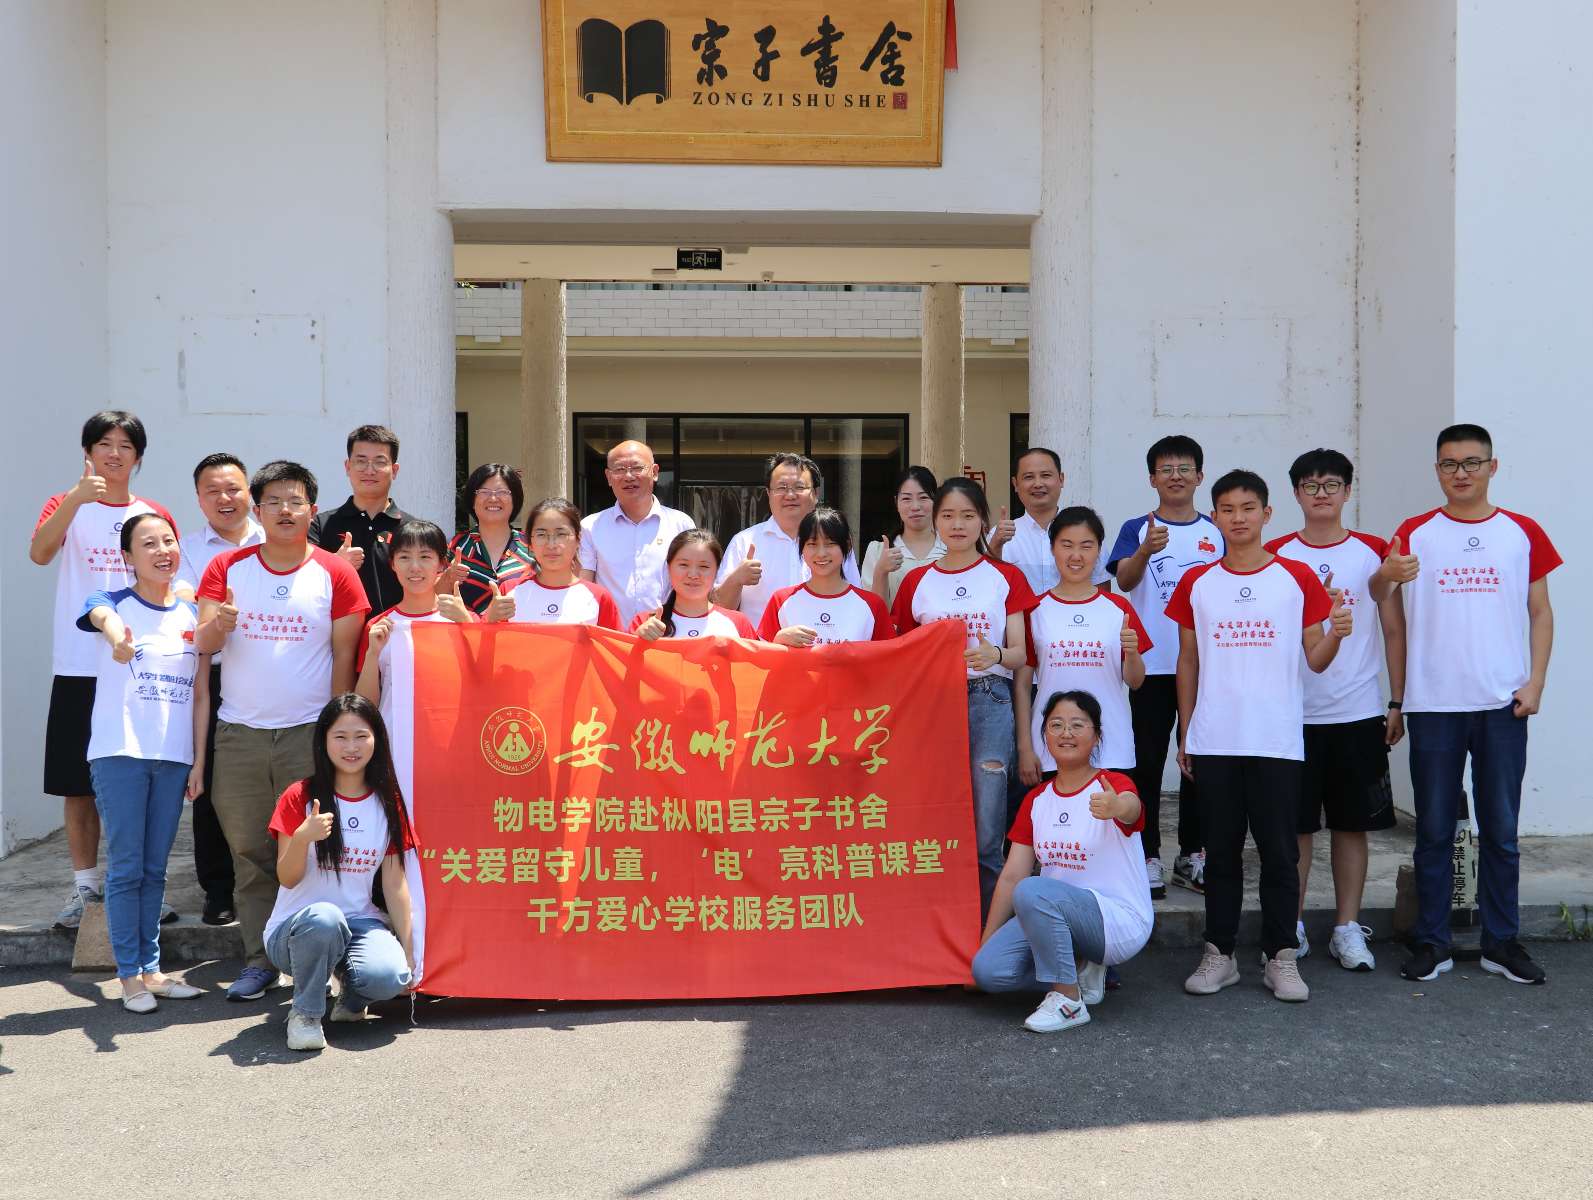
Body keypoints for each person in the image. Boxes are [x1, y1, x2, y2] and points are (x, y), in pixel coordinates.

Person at [1376, 424, 1559, 986]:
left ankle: (1501, 942)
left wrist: (1535, 683)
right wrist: (1386, 575)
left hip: (1503, 704)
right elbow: (1385, 606)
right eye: (1450, 464)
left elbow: (1540, 612)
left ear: (1492, 467)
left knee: (1501, 830)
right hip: (1434, 704)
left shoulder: (1522, 532)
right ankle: (1433, 943)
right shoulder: (1415, 532)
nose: (1461, 473)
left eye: (1471, 462)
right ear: (1437, 470)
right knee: (1433, 830)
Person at [1168, 469, 1348, 1004]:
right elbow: (1188, 659)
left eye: (1248, 508)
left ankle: (1280, 956)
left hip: (1276, 740)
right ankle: (1219, 954)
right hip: (1216, 739)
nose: (1238, 518)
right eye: (1227, 509)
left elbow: (1315, 658)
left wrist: (1337, 634)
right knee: (1220, 854)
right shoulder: (1198, 582)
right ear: (1215, 517)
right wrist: (1186, 731)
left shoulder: (1296, 577)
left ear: (1267, 514)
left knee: (1279, 853)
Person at [196, 461, 370, 1002]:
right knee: (249, 852)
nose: (285, 510)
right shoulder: (227, 566)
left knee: (315, 851)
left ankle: (321, 961)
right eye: (273, 501)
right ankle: (259, 960)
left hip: (307, 734)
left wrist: (334, 735)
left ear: (312, 510)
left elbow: (344, 656)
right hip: (240, 734)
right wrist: (219, 625)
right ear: (258, 509)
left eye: (295, 501)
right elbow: (203, 642)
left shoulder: (335, 573)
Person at [30, 410, 179, 931]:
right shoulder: (65, 504)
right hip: (79, 664)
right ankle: (84, 888)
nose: (114, 454)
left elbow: (171, 575)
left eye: (125, 446)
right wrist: (76, 499)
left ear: (139, 456)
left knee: (141, 777)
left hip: (142, 665)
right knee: (79, 784)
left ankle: (138, 884)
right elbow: (39, 553)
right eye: (104, 444)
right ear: (88, 451)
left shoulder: (153, 513)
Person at [1265, 449, 1407, 970]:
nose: (1320, 493)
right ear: (1295, 494)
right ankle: (1293, 924)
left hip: (1357, 711)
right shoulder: (1276, 555)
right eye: (1310, 485)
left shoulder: (1374, 552)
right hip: (1292, 715)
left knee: (1352, 825)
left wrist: (1397, 700)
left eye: (1330, 484)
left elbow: (1393, 630)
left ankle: (1347, 928)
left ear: (1348, 491)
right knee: (1295, 828)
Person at [78, 513, 206, 1012]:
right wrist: (119, 641)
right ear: (128, 556)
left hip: (172, 757)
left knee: (155, 869)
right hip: (121, 753)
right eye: (148, 543)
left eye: (168, 540)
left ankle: (152, 970)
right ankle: (129, 975)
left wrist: (197, 761)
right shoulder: (111, 601)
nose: (162, 550)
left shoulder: (191, 614)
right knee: (127, 867)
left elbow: (200, 693)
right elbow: (102, 619)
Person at [892, 478, 1036, 916]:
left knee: (987, 826)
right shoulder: (917, 580)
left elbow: (1021, 654)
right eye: (949, 516)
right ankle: (938, 924)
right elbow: (899, 652)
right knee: (934, 819)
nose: (958, 525)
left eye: (968, 516)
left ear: (982, 521)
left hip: (990, 700)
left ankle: (988, 928)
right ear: (936, 521)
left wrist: (995, 654)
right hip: (933, 708)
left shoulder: (1005, 576)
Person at [971, 691, 1151, 1033]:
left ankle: (1068, 1001)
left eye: (1077, 725)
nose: (1066, 733)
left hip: (1115, 919)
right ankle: (1081, 970)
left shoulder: (1111, 785)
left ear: (1096, 736)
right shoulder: (1037, 799)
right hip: (1053, 913)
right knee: (988, 971)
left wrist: (1118, 807)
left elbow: (1132, 808)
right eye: (1056, 725)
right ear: (1045, 735)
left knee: (1032, 890)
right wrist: (986, 943)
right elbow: (1011, 877)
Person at [264, 694, 417, 1052]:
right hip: (296, 931)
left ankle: (351, 998)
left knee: (389, 976)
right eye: (341, 737)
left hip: (360, 923)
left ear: (377, 740)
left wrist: (410, 953)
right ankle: (305, 1016)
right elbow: (287, 878)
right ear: (324, 741)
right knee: (325, 918)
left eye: (361, 736)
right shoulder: (299, 796)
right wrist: (302, 838)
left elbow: (395, 884)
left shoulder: (388, 801)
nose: (351, 747)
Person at [1107, 434, 1224, 897]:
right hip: (1151, 666)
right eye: (1166, 469)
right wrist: (1145, 551)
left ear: (1200, 476)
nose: (1176, 476)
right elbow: (1123, 581)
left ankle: (1193, 854)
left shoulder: (1217, 530)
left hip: (1206, 667)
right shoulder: (1137, 528)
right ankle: (1148, 854)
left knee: (1200, 761)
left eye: (1184, 468)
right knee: (1148, 763)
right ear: (1152, 478)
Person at [175, 452, 264, 926]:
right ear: (198, 499)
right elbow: (186, 607)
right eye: (213, 491)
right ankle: (217, 887)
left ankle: (276, 882)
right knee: (210, 780)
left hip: (270, 671)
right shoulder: (186, 550)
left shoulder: (276, 539)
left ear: (250, 493)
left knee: (270, 780)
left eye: (233, 488)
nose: (225, 498)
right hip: (211, 674)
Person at [1015, 506, 1150, 791]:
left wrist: (1132, 653)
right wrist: (1026, 747)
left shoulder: (1119, 608)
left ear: (1099, 551)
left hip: (1111, 746)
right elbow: (1023, 685)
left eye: (1086, 546)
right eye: (1066, 545)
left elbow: (1136, 681)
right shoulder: (1035, 610)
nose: (1076, 555)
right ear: (1052, 548)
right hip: (1051, 746)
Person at [355, 519, 477, 733]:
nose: (414, 567)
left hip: (454, 741)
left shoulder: (465, 619)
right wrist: (372, 654)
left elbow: (487, 681)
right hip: (396, 742)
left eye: (425, 557)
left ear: (442, 564)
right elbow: (365, 706)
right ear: (393, 564)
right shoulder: (378, 627)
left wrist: (469, 627)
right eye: (404, 557)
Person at [715, 452, 862, 628]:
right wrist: (736, 580)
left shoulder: (835, 544)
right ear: (768, 493)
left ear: (815, 493)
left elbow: (855, 602)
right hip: (762, 644)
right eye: (781, 487)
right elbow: (720, 612)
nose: (790, 495)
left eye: (799, 487)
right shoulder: (744, 542)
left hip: (823, 643)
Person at [578, 440, 696, 630]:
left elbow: (692, 583)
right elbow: (584, 586)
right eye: (619, 469)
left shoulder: (681, 524)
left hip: (667, 635)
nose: (628, 476)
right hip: (611, 637)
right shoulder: (590, 527)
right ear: (608, 477)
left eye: (637, 468)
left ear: (654, 472)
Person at [309, 424, 412, 616]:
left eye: (380, 462)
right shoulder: (319, 526)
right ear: (348, 467)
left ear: (394, 470)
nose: (369, 470)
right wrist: (336, 565)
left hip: (397, 632)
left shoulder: (412, 529)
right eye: (361, 461)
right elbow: (301, 584)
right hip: (338, 633)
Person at [759, 507, 895, 646]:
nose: (821, 553)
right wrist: (778, 640)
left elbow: (888, 655)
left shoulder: (872, 605)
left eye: (830, 544)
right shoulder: (780, 601)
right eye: (812, 544)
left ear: (847, 545)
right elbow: (760, 655)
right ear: (801, 547)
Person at [990, 447, 1110, 595]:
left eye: (1045, 475)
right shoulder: (999, 536)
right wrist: (996, 545)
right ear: (1015, 484)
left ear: (1061, 479)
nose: (1038, 484)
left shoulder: (1087, 531)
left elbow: (1102, 595)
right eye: (1029, 477)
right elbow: (986, 588)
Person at [485, 499, 622, 628]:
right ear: (530, 543)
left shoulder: (599, 597)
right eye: (541, 535)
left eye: (561, 534)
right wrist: (490, 619)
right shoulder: (509, 591)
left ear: (578, 540)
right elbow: (486, 641)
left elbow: (614, 644)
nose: (551, 545)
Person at [631, 530, 758, 640]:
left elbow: (757, 660)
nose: (693, 575)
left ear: (717, 571)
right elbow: (625, 659)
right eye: (683, 565)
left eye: (704, 566)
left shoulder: (738, 623)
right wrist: (638, 640)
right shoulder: (646, 623)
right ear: (668, 568)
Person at [445, 463, 536, 615]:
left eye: (502, 492)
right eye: (484, 492)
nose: (493, 498)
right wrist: (448, 578)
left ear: (515, 499)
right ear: (472, 500)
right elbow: (432, 598)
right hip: (466, 629)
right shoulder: (455, 547)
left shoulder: (532, 547)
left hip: (522, 629)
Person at [860, 466, 944, 606]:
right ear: (896, 502)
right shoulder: (878, 551)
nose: (915, 506)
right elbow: (872, 610)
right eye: (906, 499)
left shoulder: (952, 548)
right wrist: (881, 571)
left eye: (923, 497)